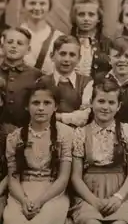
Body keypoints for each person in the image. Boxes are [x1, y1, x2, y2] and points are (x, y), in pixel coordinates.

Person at [71, 78, 128, 224]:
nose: (105, 107)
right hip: (89, 196)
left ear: (119, 106)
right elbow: (76, 177)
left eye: (111, 102)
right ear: (91, 102)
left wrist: (119, 197)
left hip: (120, 194)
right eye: (101, 101)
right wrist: (94, 201)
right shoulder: (81, 133)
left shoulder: (127, 131)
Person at [3, 82, 74, 224]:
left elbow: (63, 178)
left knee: (43, 220)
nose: (41, 108)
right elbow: (14, 177)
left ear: (55, 107)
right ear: (26, 106)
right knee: (12, 220)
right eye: (35, 103)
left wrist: (40, 201)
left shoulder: (65, 134)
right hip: (22, 191)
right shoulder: (14, 137)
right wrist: (23, 200)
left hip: (52, 193)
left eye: (47, 103)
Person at [38, 35, 93, 128]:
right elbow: (39, 113)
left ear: (79, 59)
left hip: (76, 135)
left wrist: (56, 116)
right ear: (52, 56)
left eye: (72, 55)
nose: (67, 59)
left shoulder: (86, 82)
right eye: (62, 54)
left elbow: (83, 118)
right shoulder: (43, 82)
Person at [0, 28, 42, 134]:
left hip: (24, 134)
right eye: (10, 42)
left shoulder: (36, 75)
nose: (14, 46)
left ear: (28, 49)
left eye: (19, 43)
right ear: (2, 46)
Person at [20, 0, 64, 75]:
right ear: (24, 6)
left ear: (49, 7)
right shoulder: (14, 36)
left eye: (42, 4)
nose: (37, 8)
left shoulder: (59, 38)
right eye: (32, 3)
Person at [70, 0, 112, 78]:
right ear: (74, 17)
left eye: (91, 14)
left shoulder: (107, 45)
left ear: (98, 18)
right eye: (81, 14)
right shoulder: (66, 42)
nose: (86, 19)